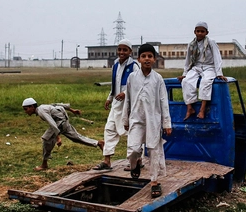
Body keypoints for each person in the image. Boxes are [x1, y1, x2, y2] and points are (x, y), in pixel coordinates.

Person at [122, 44, 172, 198]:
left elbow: (163, 101)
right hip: (136, 118)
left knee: (154, 150)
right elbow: (127, 99)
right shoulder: (132, 77)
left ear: (154, 59)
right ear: (138, 59)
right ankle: (135, 163)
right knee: (133, 149)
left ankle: (154, 181)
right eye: (143, 56)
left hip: (153, 120)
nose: (147, 59)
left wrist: (166, 123)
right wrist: (125, 119)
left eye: (150, 56)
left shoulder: (158, 79)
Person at [92, 39, 139, 171]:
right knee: (109, 129)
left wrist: (125, 93)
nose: (121, 52)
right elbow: (114, 84)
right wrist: (110, 98)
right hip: (116, 104)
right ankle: (107, 161)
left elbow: (137, 85)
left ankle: (136, 160)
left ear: (130, 51)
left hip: (129, 105)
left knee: (132, 131)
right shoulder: (115, 65)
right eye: (119, 49)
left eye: (125, 50)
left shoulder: (134, 66)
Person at [22, 98, 105, 171]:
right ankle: (98, 143)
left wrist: (58, 137)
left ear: (32, 107)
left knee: (46, 139)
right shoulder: (43, 106)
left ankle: (44, 164)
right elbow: (57, 105)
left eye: (26, 109)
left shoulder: (41, 111)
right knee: (76, 137)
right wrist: (72, 110)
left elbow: (52, 123)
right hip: (64, 120)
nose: (25, 111)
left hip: (60, 122)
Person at [177, 21, 226, 120]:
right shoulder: (191, 44)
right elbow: (188, 60)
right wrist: (185, 73)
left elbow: (217, 57)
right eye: (198, 31)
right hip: (196, 67)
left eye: (202, 31)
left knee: (206, 82)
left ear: (206, 32)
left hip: (209, 67)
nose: (200, 33)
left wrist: (219, 73)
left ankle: (202, 110)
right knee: (186, 81)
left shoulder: (211, 42)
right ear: (194, 32)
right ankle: (190, 108)